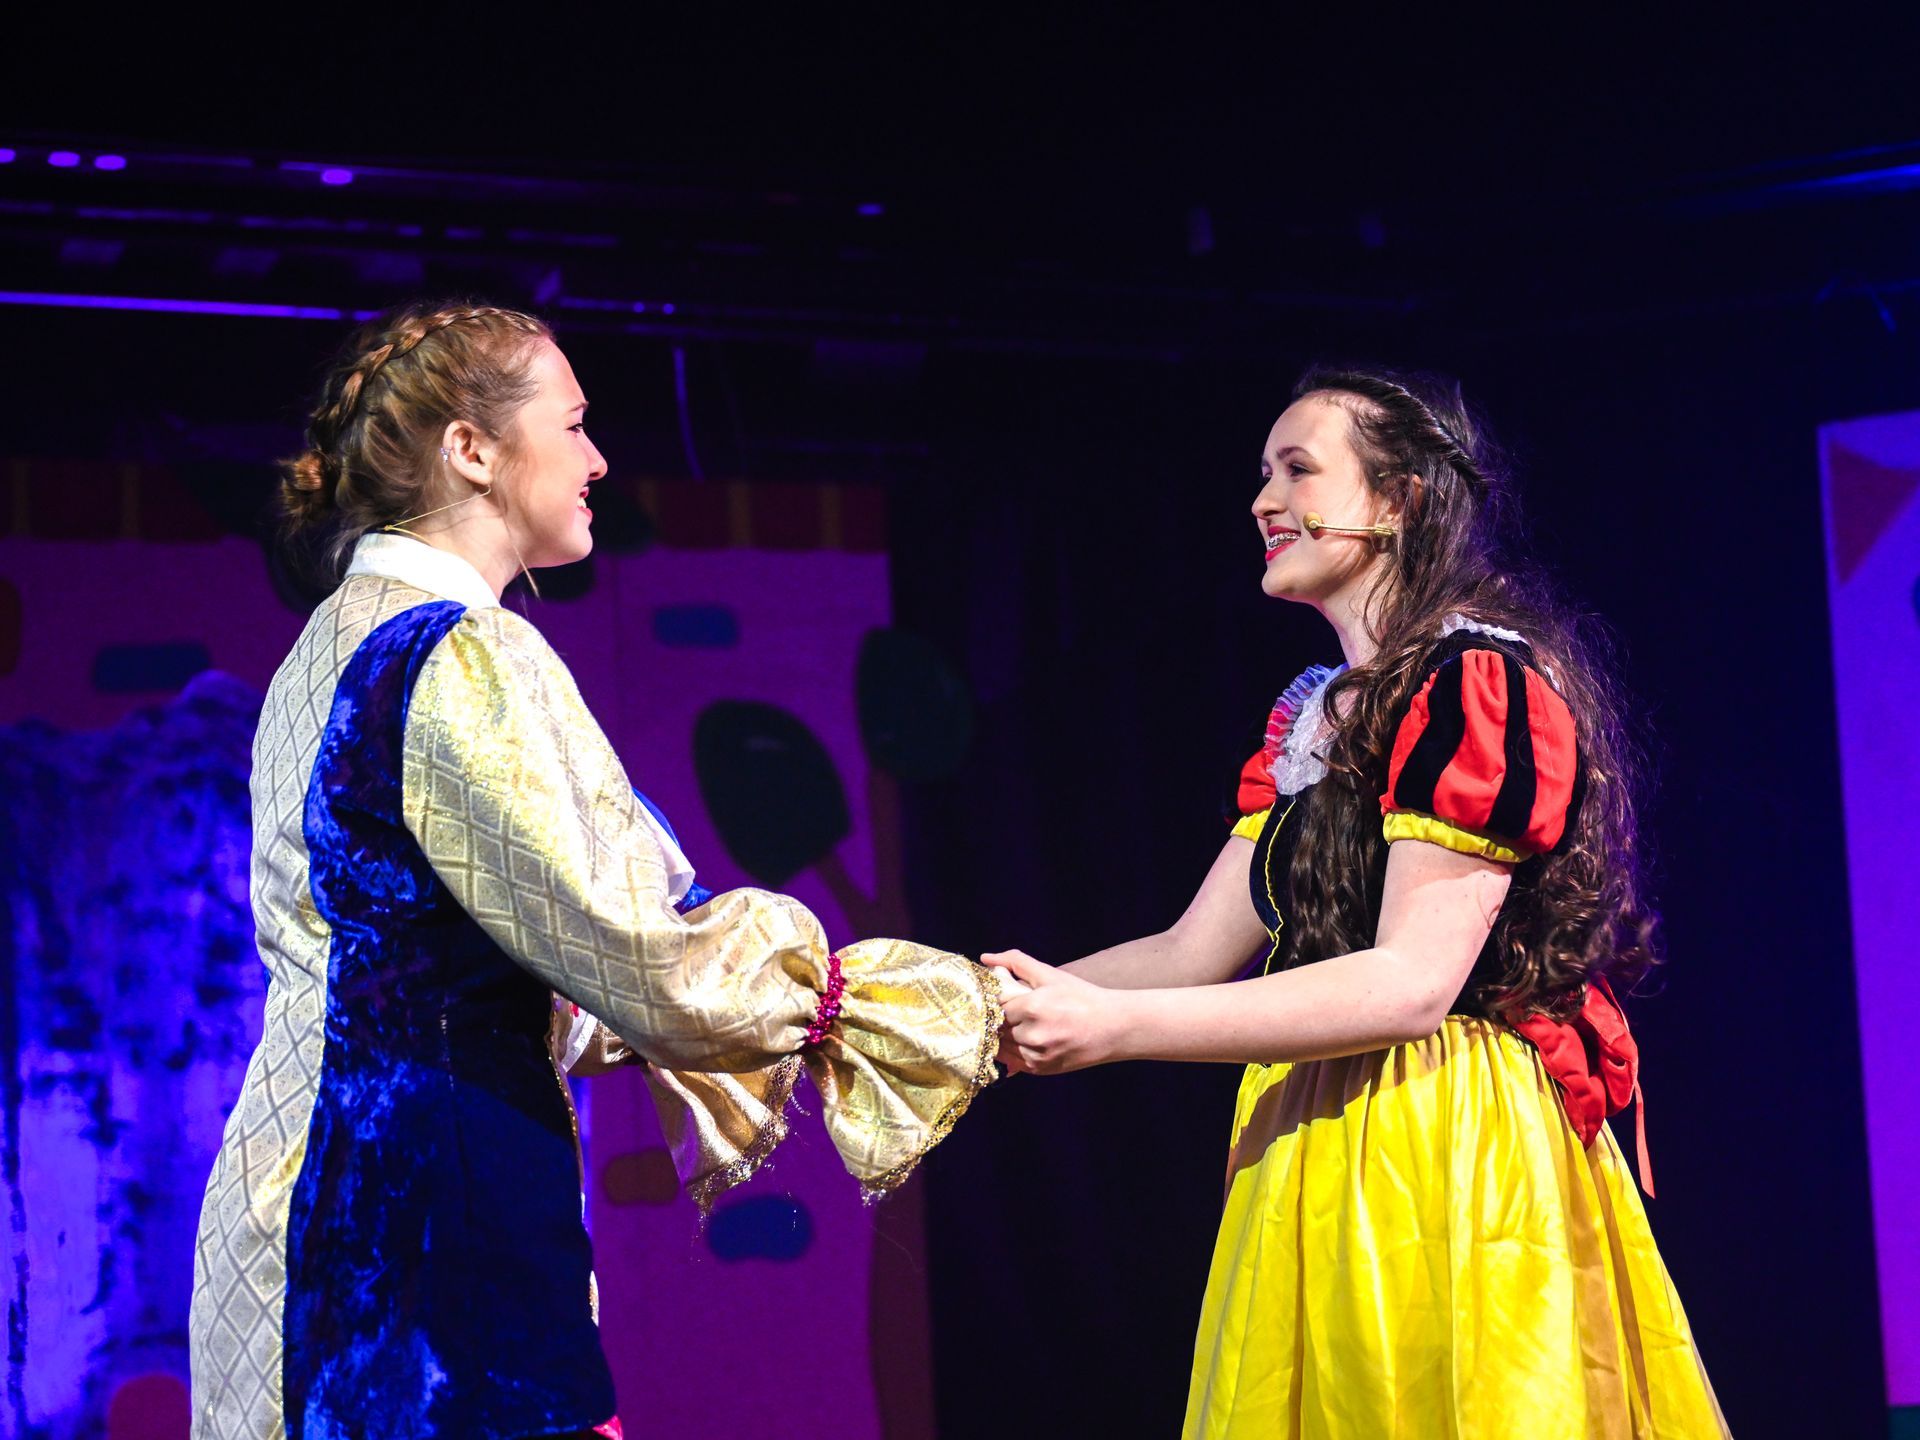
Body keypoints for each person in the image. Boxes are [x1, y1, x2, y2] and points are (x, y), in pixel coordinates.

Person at [188, 302, 1003, 1440]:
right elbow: (642, 957)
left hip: (301, 1187)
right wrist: (889, 1007)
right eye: (573, 424)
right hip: (419, 1217)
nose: (598, 459)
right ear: (472, 450)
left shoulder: (324, 645)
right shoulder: (458, 650)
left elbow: (501, 960)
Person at [987, 368, 1727, 1437]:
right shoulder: (1314, 720)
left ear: (1397, 500)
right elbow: (1190, 950)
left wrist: (1113, 1028)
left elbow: (1410, 984)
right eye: (1262, 473)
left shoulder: (1476, 684)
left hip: (1445, 1136)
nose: (1263, 500)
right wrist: (963, 1012)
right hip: (1315, 1139)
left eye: (1299, 470)